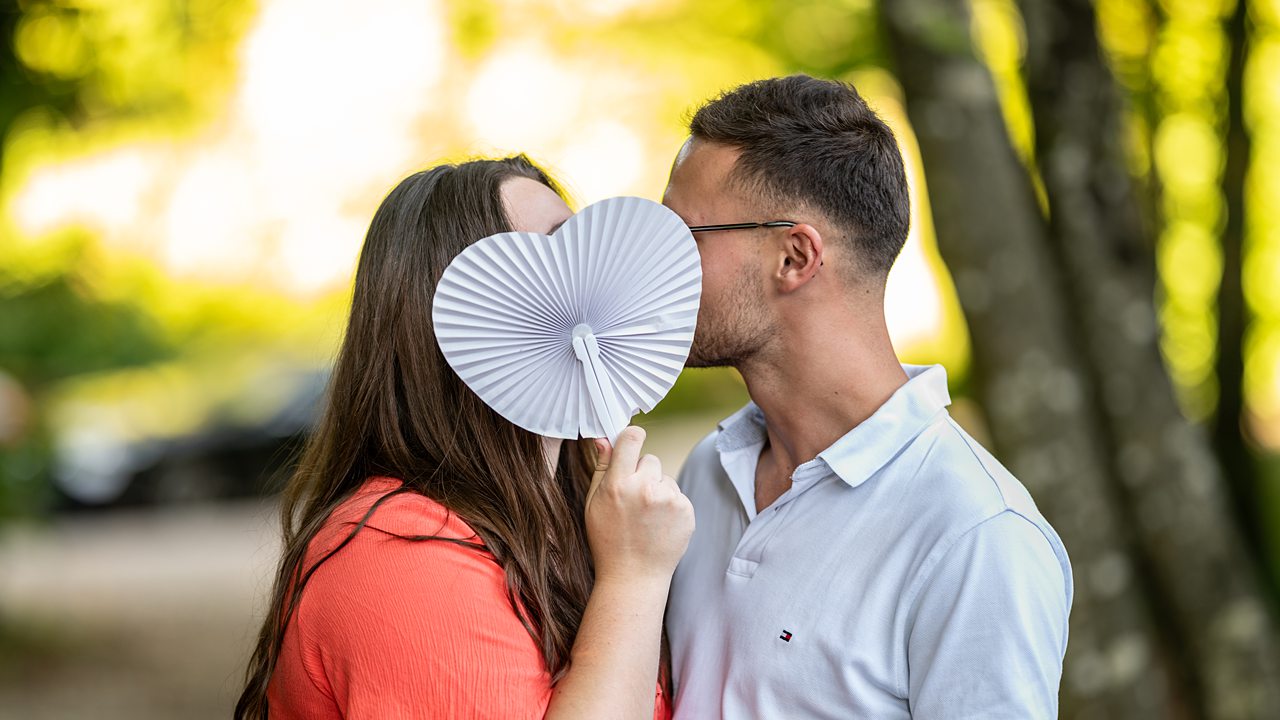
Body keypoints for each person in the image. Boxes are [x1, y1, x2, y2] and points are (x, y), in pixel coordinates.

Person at [661, 75, 1073, 718]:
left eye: (684, 238)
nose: (659, 267)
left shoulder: (976, 535)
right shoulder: (706, 472)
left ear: (795, 257)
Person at [235, 156, 693, 720]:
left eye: (584, 247)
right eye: (553, 257)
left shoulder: (566, 523)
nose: (591, 281)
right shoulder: (399, 555)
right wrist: (635, 579)